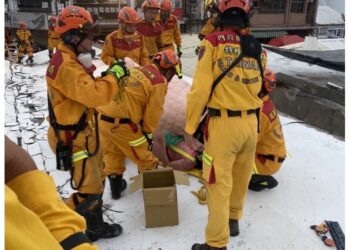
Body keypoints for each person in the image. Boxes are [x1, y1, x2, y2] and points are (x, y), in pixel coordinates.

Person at [185, 0, 266, 249]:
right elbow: (261, 89)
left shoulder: (212, 43)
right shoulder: (258, 50)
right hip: (251, 124)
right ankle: (233, 219)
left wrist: (189, 128)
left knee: (218, 184)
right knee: (241, 177)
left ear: (220, 16)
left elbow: (199, 90)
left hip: (223, 126)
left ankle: (217, 243)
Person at [46, 5, 130, 242]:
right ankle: (50, 224)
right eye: (89, 36)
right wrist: (114, 75)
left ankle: (94, 228)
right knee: (88, 193)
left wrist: (104, 78)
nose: (92, 41)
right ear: (74, 36)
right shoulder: (66, 66)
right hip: (74, 139)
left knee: (96, 181)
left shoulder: (69, 59)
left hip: (81, 133)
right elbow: (93, 95)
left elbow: (83, 92)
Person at [96, 49, 182, 200]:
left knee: (113, 153)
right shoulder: (158, 81)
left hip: (103, 118)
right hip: (124, 126)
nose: (171, 77)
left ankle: (115, 190)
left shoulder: (136, 70)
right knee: (146, 159)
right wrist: (148, 134)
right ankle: (153, 197)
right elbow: (153, 113)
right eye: (172, 73)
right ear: (168, 69)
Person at [5, 136, 98, 250]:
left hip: (73, 135)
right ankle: (94, 225)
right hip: (78, 138)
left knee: (92, 187)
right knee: (91, 191)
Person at [249, 68, 287, 191]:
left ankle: (261, 179)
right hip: (272, 156)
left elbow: (248, 144)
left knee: (235, 171)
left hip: (265, 161)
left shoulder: (259, 113)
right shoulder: (265, 103)